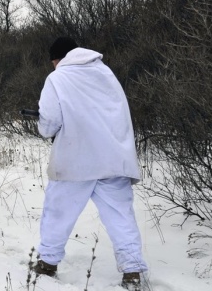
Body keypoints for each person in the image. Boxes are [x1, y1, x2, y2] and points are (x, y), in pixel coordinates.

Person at [33, 37, 148, 290]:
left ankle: (47, 264)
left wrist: (41, 123)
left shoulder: (57, 78)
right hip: (114, 158)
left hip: (76, 160)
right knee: (121, 217)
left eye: (53, 62)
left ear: (57, 59)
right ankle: (132, 272)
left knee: (58, 213)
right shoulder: (105, 72)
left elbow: (49, 123)